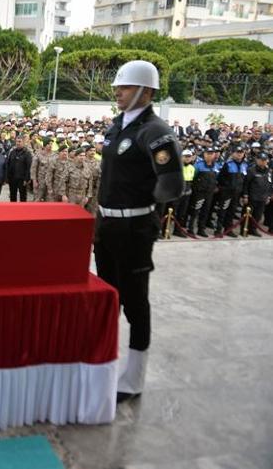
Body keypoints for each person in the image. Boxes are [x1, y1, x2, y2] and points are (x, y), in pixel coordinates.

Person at [94, 60, 183, 403]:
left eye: (126, 87)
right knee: (109, 299)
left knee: (135, 303)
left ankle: (133, 379)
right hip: (108, 224)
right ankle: (105, 366)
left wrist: (144, 206)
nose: (118, 91)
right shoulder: (117, 126)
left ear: (146, 92)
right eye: (118, 87)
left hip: (133, 227)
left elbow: (171, 184)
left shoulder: (155, 131)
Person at [214, 145, 248, 237]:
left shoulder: (245, 165)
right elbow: (221, 178)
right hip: (226, 193)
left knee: (232, 212)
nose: (239, 154)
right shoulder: (228, 164)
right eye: (237, 152)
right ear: (233, 153)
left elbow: (244, 180)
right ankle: (218, 230)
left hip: (237, 193)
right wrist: (226, 187)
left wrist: (243, 193)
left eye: (241, 153)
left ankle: (228, 229)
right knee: (222, 211)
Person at [242, 152, 272, 237]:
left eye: (265, 160)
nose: (263, 162)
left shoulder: (268, 171)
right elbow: (246, 184)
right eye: (261, 160)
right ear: (257, 160)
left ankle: (253, 230)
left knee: (257, 216)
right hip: (252, 197)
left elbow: (269, 184)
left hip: (262, 198)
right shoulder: (251, 170)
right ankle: (244, 230)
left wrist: (268, 196)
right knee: (247, 215)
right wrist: (245, 195)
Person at [6, 136, 32, 202]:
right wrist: (7, 177)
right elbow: (8, 165)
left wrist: (27, 179)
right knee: (12, 195)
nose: (18, 143)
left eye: (20, 141)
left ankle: (23, 211)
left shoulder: (27, 153)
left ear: (23, 142)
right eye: (17, 141)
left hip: (22, 179)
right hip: (12, 178)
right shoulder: (12, 152)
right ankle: (13, 210)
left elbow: (29, 167)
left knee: (23, 196)